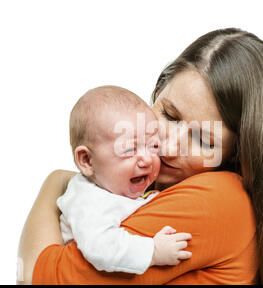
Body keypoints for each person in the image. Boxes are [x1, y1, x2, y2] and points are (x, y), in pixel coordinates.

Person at [18, 28, 263, 285]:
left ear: (237, 154)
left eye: (203, 140)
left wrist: (55, 183)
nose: (168, 147)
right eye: (168, 114)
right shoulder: (142, 189)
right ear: (155, 95)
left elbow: (41, 278)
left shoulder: (219, 199)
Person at [57, 86, 192, 275]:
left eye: (153, 146)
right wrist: (153, 251)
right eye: (129, 150)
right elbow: (101, 248)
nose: (147, 159)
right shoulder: (88, 201)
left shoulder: (113, 187)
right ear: (87, 160)